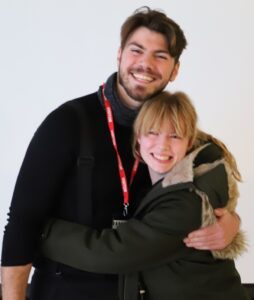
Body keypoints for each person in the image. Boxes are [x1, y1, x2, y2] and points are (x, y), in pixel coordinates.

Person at [1, 6, 240, 300]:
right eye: (136, 51)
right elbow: (22, 221)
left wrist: (231, 224)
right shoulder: (67, 123)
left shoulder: (184, 139)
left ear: (175, 69)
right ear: (119, 55)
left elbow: (204, 201)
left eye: (160, 56)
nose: (145, 64)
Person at [40, 91, 248, 300]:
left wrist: (42, 230)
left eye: (175, 136)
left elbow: (112, 253)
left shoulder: (187, 200)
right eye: (152, 132)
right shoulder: (173, 176)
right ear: (138, 136)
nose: (162, 145)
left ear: (189, 141)